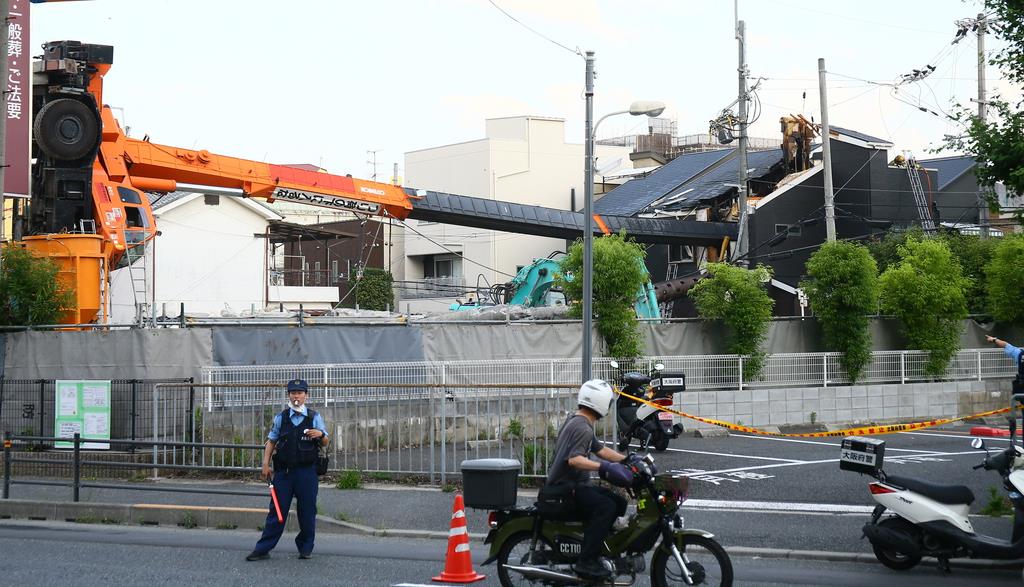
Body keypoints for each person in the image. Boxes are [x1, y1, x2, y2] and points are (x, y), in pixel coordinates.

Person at [547, 379, 634, 580]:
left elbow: (600, 450)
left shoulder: (578, 420)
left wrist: (628, 460)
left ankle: (596, 545)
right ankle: (586, 561)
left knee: (619, 502)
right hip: (566, 489)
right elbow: (574, 460)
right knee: (607, 507)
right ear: (600, 403)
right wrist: (603, 467)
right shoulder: (582, 427)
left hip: (575, 486)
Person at [246, 378, 329, 561]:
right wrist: (265, 464)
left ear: (306, 396)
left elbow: (325, 442)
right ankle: (262, 549)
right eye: (293, 393)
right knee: (276, 512)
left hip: (307, 473)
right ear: (289, 396)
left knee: (307, 512)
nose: (296, 396)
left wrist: (320, 434)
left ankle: (305, 547)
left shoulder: (314, 417)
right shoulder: (281, 418)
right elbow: (271, 441)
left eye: (299, 393)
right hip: (283, 474)